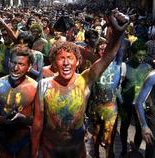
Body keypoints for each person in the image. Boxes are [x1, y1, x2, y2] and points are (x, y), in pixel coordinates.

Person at [31, 9, 128, 158]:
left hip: (76, 151)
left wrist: (117, 33)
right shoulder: (44, 85)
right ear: (54, 63)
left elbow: (108, 56)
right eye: (61, 58)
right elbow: (37, 123)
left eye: (70, 58)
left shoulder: (84, 80)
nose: (66, 63)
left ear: (78, 62)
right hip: (50, 150)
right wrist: (34, 152)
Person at [0, 46, 37, 158]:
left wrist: (22, 118)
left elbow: (39, 120)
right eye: (13, 63)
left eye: (21, 64)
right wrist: (4, 120)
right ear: (9, 62)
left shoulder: (35, 88)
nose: (15, 68)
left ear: (29, 67)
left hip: (24, 140)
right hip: (3, 139)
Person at [119, 39, 152, 157]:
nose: (141, 58)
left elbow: (150, 86)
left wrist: (149, 102)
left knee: (139, 128)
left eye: (144, 55)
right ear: (132, 53)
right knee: (124, 126)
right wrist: (120, 101)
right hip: (125, 103)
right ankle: (123, 148)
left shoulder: (148, 67)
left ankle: (136, 149)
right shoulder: (124, 66)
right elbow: (119, 86)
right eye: (139, 55)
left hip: (140, 105)